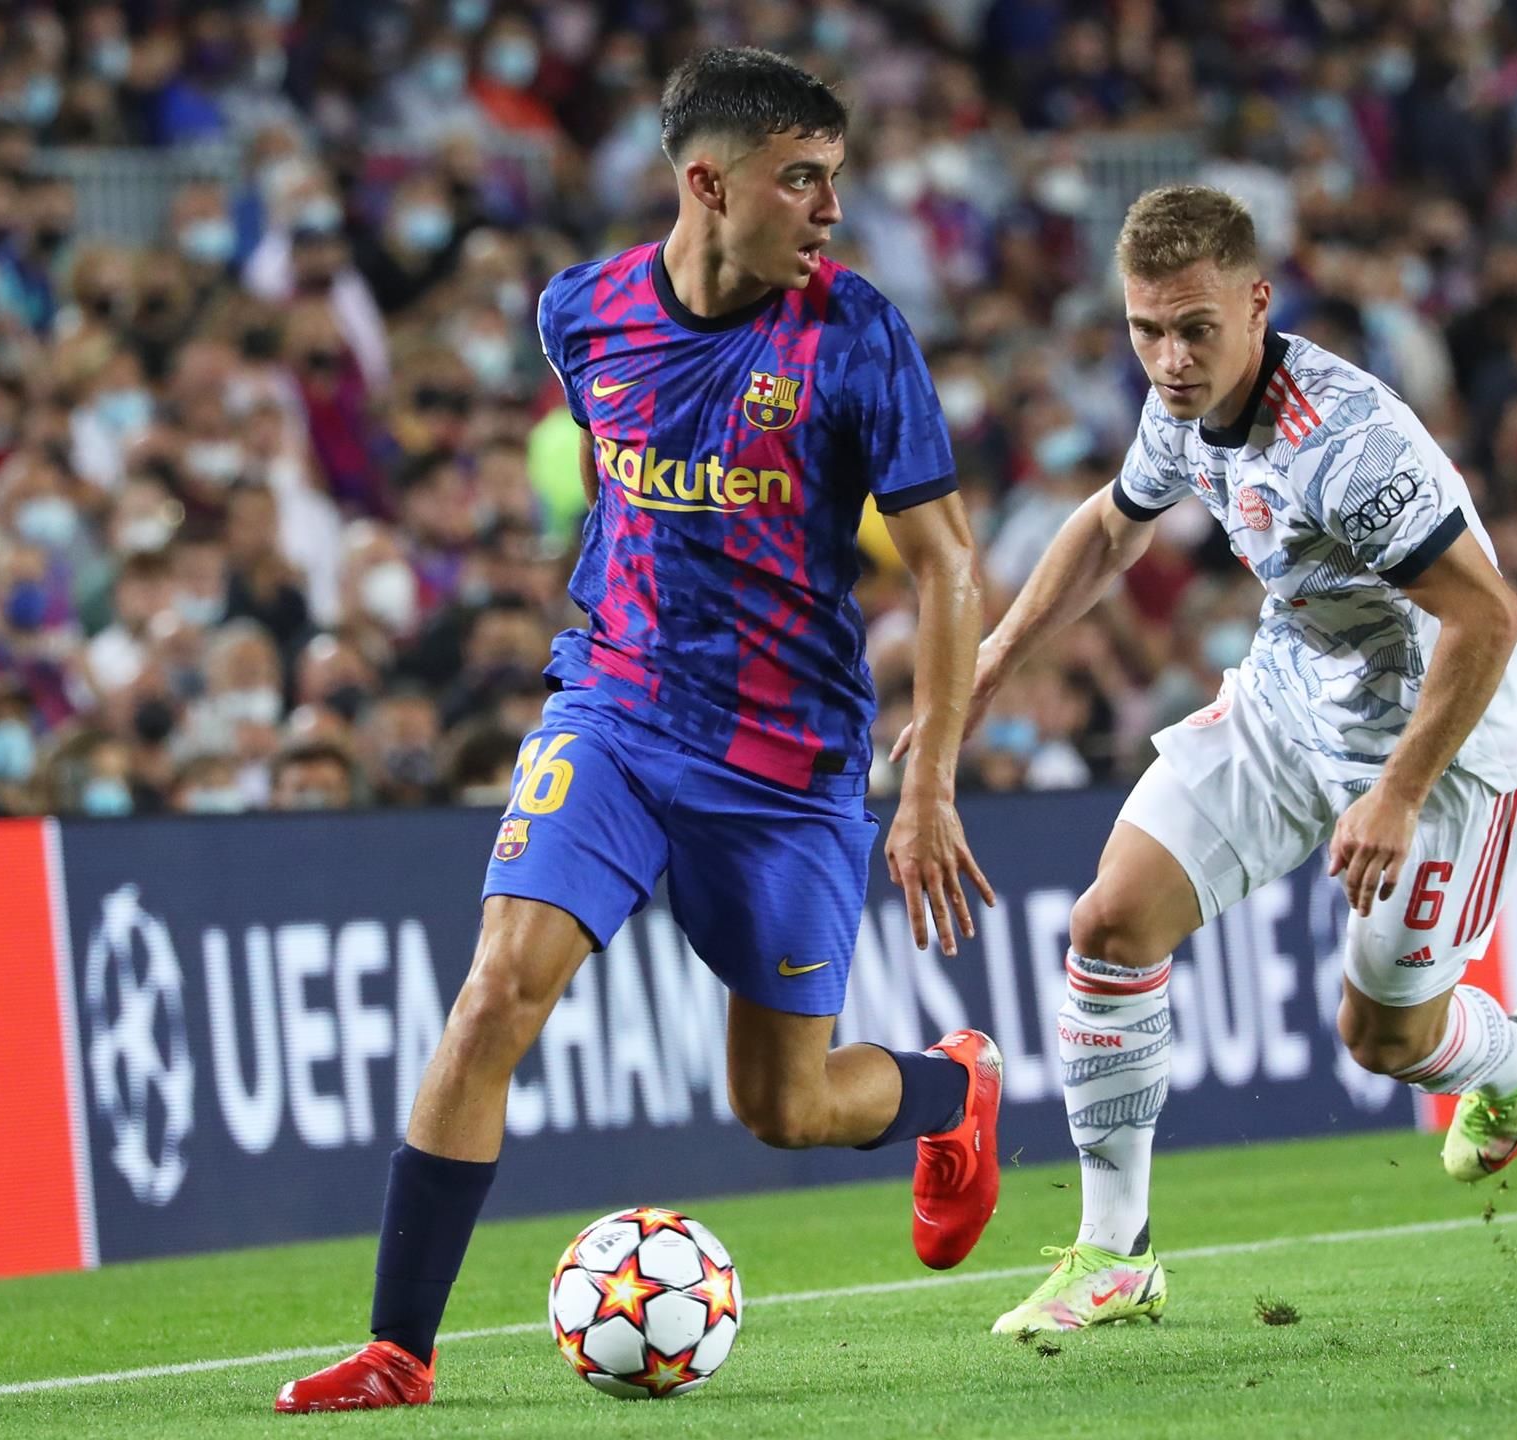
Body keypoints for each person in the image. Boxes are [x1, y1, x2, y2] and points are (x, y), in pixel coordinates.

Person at [277, 48, 999, 1414]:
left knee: (784, 1105)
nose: (830, 210)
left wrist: (930, 781)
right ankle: (398, 1351)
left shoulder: (859, 339)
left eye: (837, 180)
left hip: (787, 766)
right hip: (611, 711)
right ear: (706, 183)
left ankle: (949, 1095)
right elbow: (630, 499)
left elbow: (950, 568)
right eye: (803, 180)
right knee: (496, 990)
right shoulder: (583, 311)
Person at [937, 186, 1517, 1335]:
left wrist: (1399, 790)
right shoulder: (1177, 403)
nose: (1168, 360)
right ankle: (1111, 1253)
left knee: (1383, 1040)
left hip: (1444, 744)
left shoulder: (1345, 442)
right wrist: (995, 654)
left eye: (1192, 330)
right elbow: (1116, 524)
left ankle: (1513, 1052)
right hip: (1290, 694)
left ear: (1256, 304)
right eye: (1143, 330)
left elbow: (1488, 619)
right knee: (1108, 926)